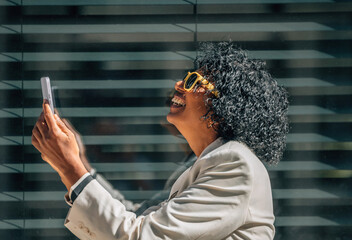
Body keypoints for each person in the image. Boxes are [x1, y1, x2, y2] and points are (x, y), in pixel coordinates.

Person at [32, 42, 289, 239]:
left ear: (224, 105)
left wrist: (71, 167)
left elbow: (140, 235)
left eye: (192, 81)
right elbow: (135, 216)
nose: (179, 85)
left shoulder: (233, 163)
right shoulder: (211, 164)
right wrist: (74, 163)